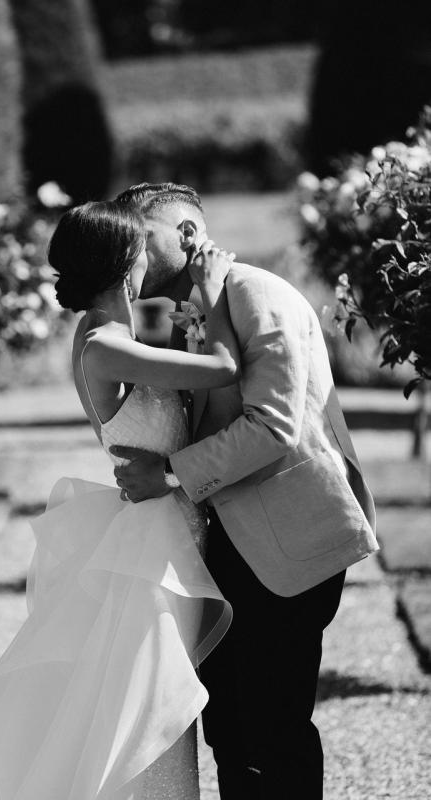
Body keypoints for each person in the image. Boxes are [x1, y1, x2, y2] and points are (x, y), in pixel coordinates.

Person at [0, 200, 239, 800]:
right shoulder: (105, 344)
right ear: (126, 262)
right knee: (149, 713)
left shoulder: (112, 332)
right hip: (153, 552)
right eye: (142, 251)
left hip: (164, 533)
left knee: (148, 707)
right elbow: (222, 367)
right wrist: (211, 292)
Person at [112, 182, 379, 800]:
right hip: (225, 545)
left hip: (286, 536)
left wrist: (169, 473)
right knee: (229, 729)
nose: (128, 255)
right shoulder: (190, 308)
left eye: (139, 239)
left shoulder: (256, 292)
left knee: (274, 729)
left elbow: (273, 426)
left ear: (186, 234)